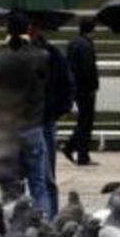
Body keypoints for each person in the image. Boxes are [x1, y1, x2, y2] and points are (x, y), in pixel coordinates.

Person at [0, 11, 52, 217]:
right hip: (32, 124)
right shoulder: (41, 56)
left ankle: (13, 224)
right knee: (38, 185)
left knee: (9, 187)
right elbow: (46, 86)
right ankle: (43, 225)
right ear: (27, 29)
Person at [29, 15, 72, 218]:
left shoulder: (52, 55)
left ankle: (50, 218)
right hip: (30, 121)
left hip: (42, 121)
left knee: (45, 178)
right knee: (39, 179)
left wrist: (53, 112)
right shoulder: (14, 53)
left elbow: (66, 87)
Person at [64, 18, 100, 166]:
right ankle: (80, 153)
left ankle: (73, 148)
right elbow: (88, 69)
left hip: (76, 87)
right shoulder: (86, 45)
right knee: (86, 121)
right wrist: (93, 86)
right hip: (86, 89)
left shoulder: (73, 43)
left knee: (82, 120)